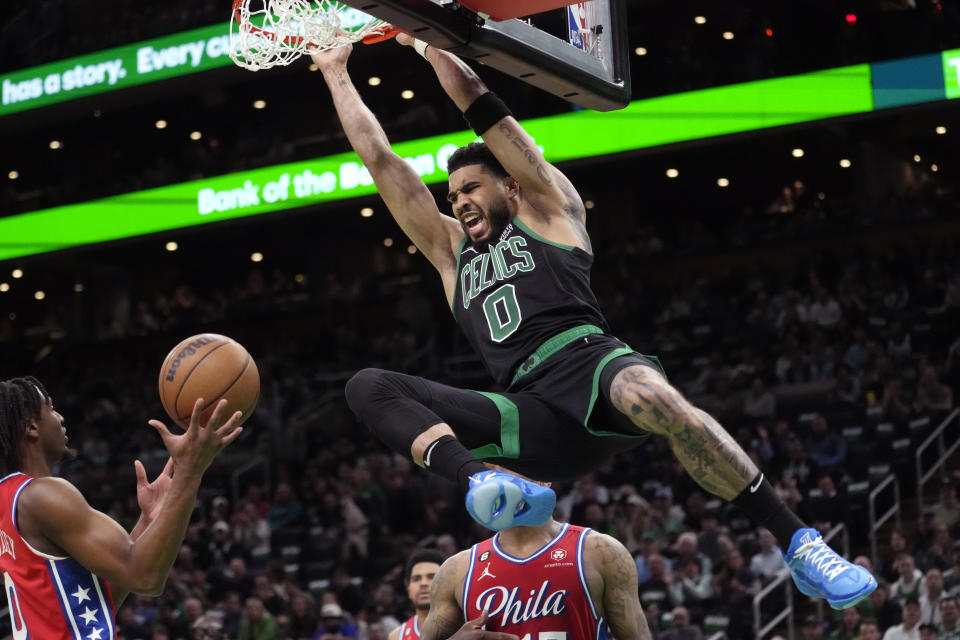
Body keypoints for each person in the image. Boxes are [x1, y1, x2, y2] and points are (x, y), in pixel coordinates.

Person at [311, 36, 875, 610]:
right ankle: (480, 480)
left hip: (592, 365)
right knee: (368, 387)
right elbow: (381, 161)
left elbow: (480, 101)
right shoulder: (451, 254)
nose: (457, 201)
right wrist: (335, 70)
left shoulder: (551, 210)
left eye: (470, 187)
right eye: (451, 194)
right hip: (531, 409)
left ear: (507, 184)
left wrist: (428, 40)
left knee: (653, 395)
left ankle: (798, 542)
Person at [0, 376, 243, 638]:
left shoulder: (8, 499)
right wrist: (191, 469)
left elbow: (94, 602)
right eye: (50, 408)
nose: (60, 417)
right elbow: (146, 578)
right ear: (31, 427)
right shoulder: (42, 495)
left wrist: (147, 521)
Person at [419, 478, 650, 639]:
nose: (510, 479)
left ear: (545, 478)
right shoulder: (458, 568)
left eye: (521, 466)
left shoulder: (600, 551)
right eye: (501, 468)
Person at [390, 549, 447, 640]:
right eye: (416, 579)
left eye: (432, 577)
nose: (423, 583)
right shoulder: (397, 637)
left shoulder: (468, 626)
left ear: (447, 585)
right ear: (408, 590)